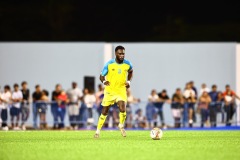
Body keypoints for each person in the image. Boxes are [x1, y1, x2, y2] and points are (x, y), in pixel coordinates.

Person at [94, 45, 133, 138]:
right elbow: (101, 76)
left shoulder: (127, 63)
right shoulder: (109, 64)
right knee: (104, 111)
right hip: (110, 91)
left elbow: (131, 71)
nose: (122, 55)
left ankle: (121, 125)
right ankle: (98, 131)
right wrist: (104, 81)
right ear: (115, 53)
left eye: (123, 53)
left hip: (121, 90)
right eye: (120, 53)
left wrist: (128, 81)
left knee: (123, 109)